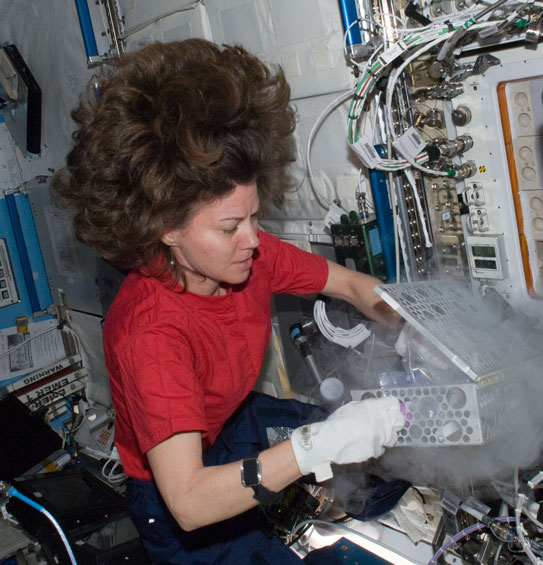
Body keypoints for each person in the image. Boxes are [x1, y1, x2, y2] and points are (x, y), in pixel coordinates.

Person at [52, 38, 407, 564]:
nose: (254, 240)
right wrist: (316, 449)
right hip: (173, 489)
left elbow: (353, 286)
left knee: (385, 454)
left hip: (232, 419)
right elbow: (191, 502)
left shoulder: (245, 256)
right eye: (229, 226)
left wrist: (412, 324)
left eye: (254, 217)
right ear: (166, 229)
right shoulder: (150, 332)